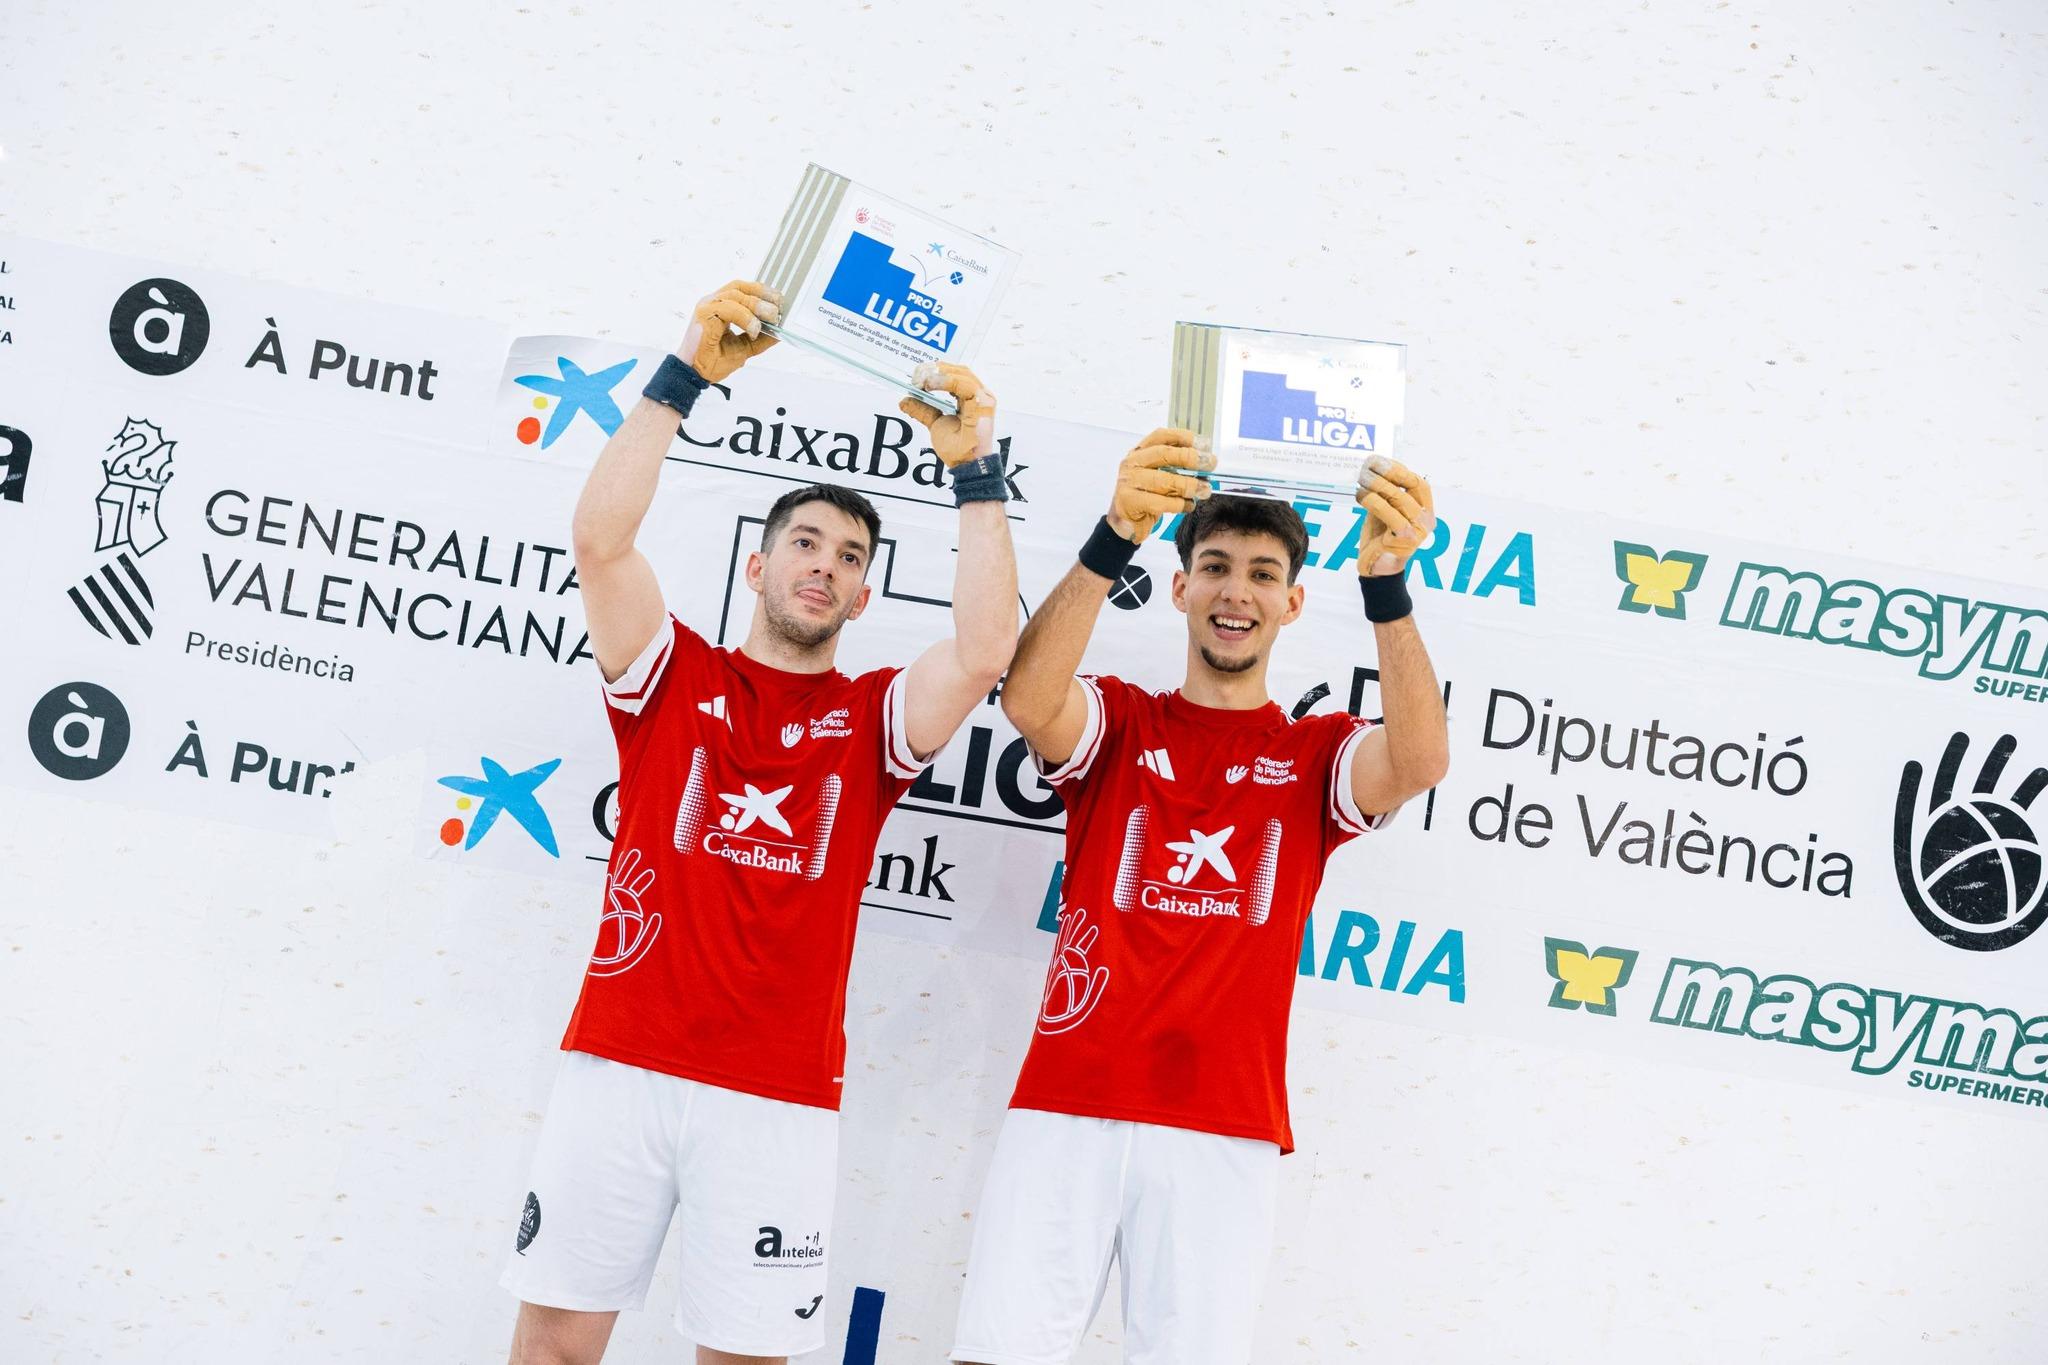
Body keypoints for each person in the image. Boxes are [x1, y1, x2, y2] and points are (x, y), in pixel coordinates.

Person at [503, 280, 1019, 1365]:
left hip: (778, 1099)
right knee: (552, 1345)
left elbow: (980, 654)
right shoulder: (669, 673)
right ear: (759, 561)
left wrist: (973, 468)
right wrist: (686, 372)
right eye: (806, 543)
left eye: (847, 557)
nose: (823, 565)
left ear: (865, 593)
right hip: (622, 1067)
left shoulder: (870, 716)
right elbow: (600, 542)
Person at [952, 430, 1451, 1365]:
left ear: (1294, 602)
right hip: (1068, 1102)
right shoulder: (1120, 720)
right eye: (1215, 566)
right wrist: (1115, 533)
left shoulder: (1317, 755)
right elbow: (1027, 700)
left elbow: (1419, 760)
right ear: (1178, 587)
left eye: (1263, 574)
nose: (1236, 591)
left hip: (1224, 1125)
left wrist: (1387, 586)